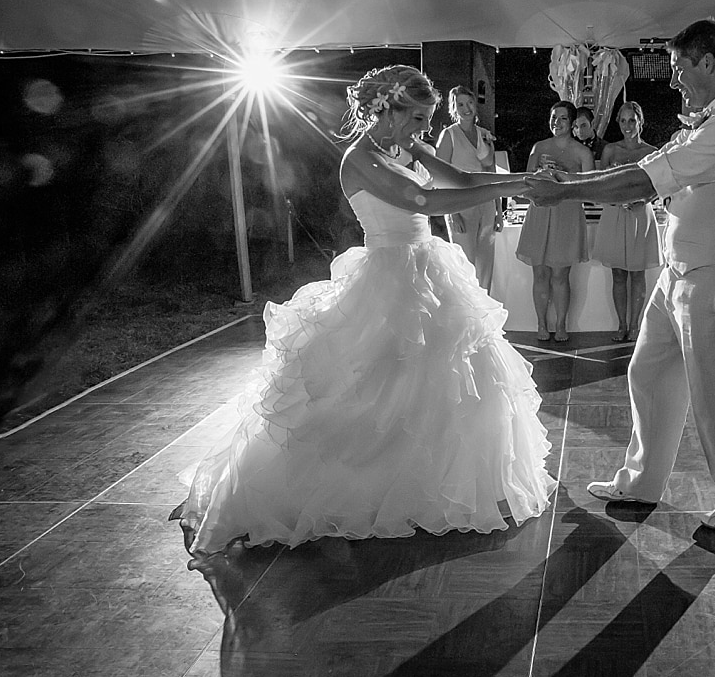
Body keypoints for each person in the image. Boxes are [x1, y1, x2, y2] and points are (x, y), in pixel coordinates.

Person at [176, 66, 555, 555]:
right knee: (378, 387)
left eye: (427, 117)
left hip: (431, 269)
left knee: (453, 380)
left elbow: (459, 177)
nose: (424, 128)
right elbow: (423, 198)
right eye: (417, 116)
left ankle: (435, 483)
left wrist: (524, 179)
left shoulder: (405, 147)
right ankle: (369, 490)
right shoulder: (359, 159)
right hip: (389, 276)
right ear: (386, 109)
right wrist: (515, 190)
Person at [524, 18, 715, 530]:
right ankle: (640, 482)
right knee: (647, 372)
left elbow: (642, 180)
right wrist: (573, 179)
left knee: (710, 393)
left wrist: (566, 190)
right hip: (678, 274)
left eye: (681, 68)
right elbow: (652, 164)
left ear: (708, 62)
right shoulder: (706, 122)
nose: (675, 79)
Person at [517, 100, 594, 342]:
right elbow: (524, 185)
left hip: (567, 215)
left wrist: (562, 176)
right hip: (540, 212)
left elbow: (590, 189)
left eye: (562, 118)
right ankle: (541, 324)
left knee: (561, 275)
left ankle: (561, 325)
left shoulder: (583, 152)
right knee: (540, 273)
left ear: (572, 123)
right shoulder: (539, 147)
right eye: (553, 117)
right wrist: (540, 177)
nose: (556, 122)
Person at [591, 101, 661, 341]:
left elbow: (659, 187)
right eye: (623, 121)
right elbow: (600, 183)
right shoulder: (610, 150)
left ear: (640, 121)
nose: (627, 125)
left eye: (632, 120)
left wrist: (643, 200)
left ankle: (635, 326)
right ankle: (621, 325)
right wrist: (614, 200)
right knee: (618, 274)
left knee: (637, 273)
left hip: (640, 215)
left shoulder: (652, 152)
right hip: (614, 214)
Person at [435, 85, 503, 291]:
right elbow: (439, 177)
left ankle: (485, 316)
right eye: (461, 104)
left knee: (486, 266)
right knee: (466, 264)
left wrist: (499, 211)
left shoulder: (484, 134)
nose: (467, 108)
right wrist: (452, 212)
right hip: (461, 205)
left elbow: (493, 175)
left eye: (470, 103)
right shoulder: (449, 135)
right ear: (454, 109)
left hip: (487, 204)